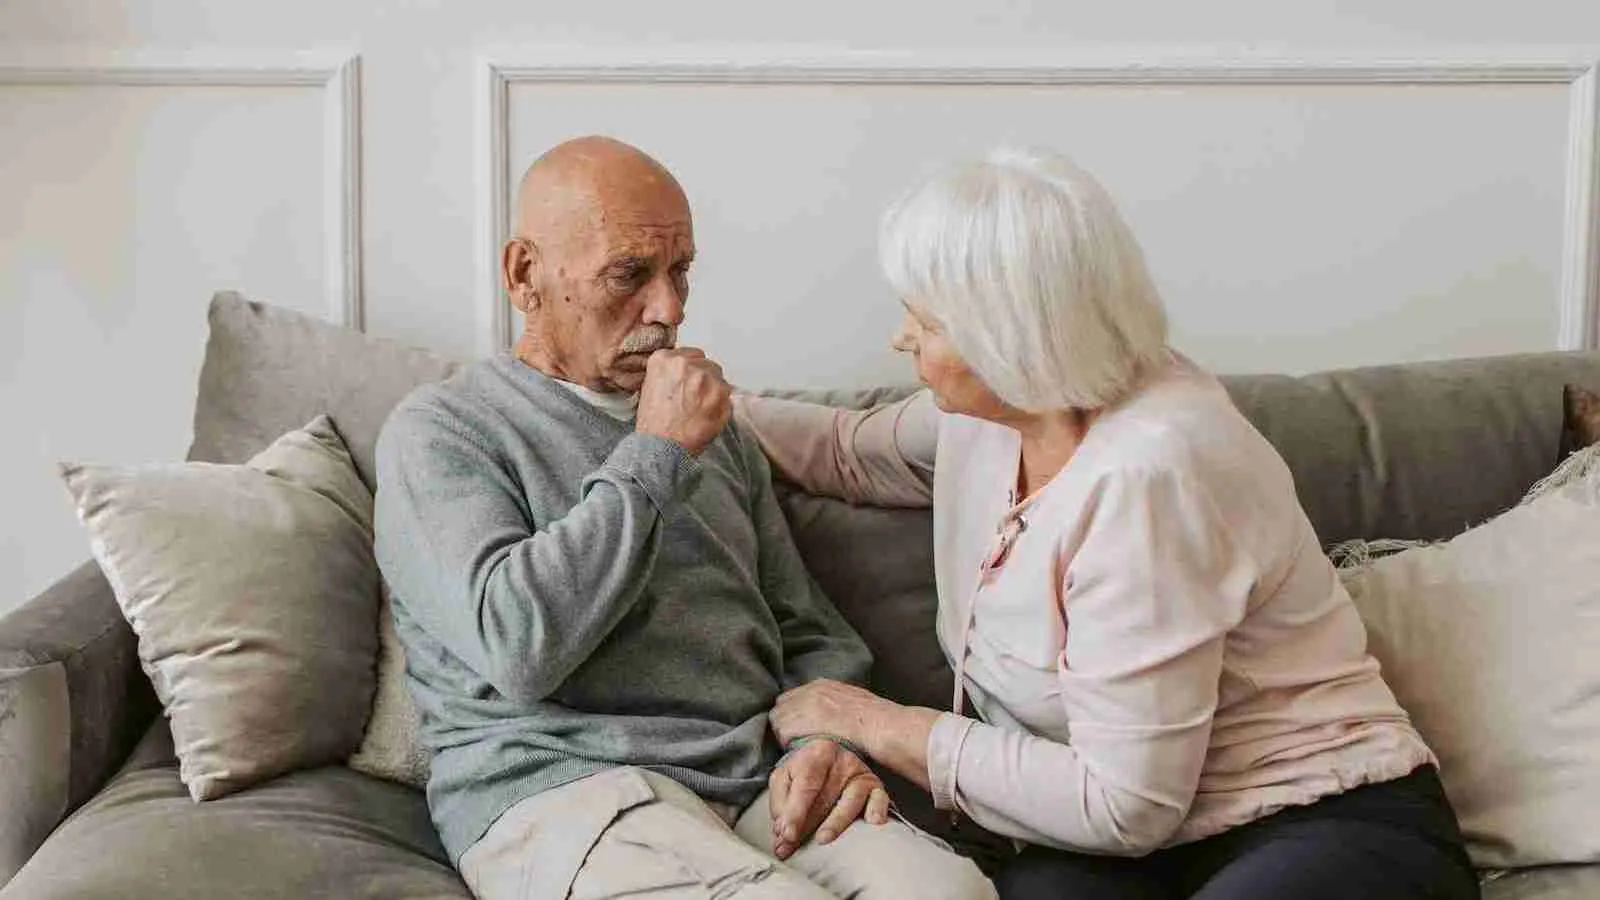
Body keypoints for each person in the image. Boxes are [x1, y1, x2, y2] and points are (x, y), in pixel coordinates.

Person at [733, 147, 1481, 900]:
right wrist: (689, 404)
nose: (901, 338)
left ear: (1005, 337)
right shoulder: (1001, 414)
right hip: (1114, 848)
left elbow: (1127, 806)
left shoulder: (1150, 472)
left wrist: (873, 720)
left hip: (1317, 817)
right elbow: (843, 453)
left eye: (924, 321)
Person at [373, 135, 994, 900]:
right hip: (570, 794)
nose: (667, 309)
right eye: (629, 274)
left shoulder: (715, 427)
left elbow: (809, 629)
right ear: (524, 274)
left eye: (681, 272)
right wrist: (657, 450)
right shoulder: (443, 431)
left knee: (952, 894)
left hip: (755, 780)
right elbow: (518, 647)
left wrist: (826, 739)